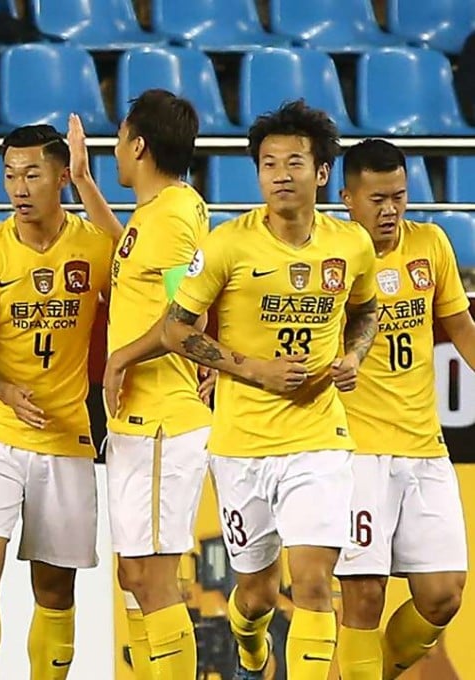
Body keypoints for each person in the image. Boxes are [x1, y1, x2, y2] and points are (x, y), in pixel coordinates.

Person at [160, 100, 379, 680]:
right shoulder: (226, 245)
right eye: (269, 163)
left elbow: (366, 310)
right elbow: (174, 328)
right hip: (242, 443)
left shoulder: (352, 244)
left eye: (294, 162)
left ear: (321, 172)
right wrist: (255, 370)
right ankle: (248, 635)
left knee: (312, 582)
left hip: (319, 437)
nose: (281, 174)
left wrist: (352, 355)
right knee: (255, 593)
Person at [0, 124, 113, 680]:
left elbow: (151, 285)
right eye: (10, 175)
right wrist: (6, 392)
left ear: (61, 177)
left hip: (66, 431)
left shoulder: (93, 246)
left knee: (55, 585)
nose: (19, 187)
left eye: (32, 174)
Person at [68, 89, 212, 679]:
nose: (115, 150)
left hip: (162, 421)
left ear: (139, 145)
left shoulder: (175, 216)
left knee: (153, 579)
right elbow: (128, 253)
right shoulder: (156, 214)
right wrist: (82, 181)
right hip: (139, 424)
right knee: (135, 576)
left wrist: (119, 357)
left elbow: (191, 313)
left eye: (120, 138)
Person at [334, 139, 472, 680]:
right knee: (364, 598)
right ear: (346, 197)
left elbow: (459, 327)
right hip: (356, 450)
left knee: (443, 596)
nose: (391, 210)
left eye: (399, 197)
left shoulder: (431, 244)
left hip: (424, 446)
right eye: (378, 200)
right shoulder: (330, 256)